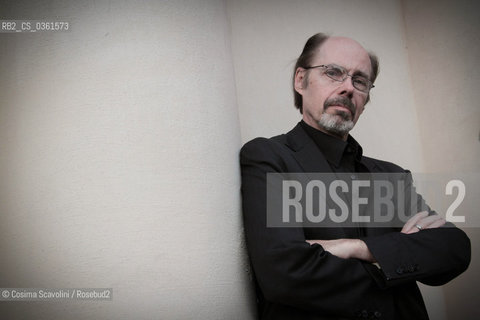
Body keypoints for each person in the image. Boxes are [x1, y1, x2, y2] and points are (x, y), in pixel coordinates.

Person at [239, 33, 471, 320]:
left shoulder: (390, 176)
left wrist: (357, 248)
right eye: (333, 72)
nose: (348, 88)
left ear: (366, 98)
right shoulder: (269, 157)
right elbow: (284, 274)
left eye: (360, 81)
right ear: (301, 80)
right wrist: (395, 261)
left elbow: (453, 248)